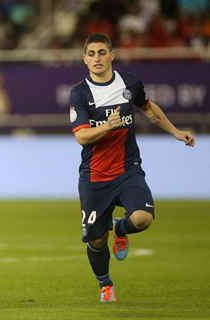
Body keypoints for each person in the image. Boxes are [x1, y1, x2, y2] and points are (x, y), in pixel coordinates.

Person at [69, 32, 195, 302]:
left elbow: (148, 108)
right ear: (84, 59)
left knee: (143, 218)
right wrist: (107, 126)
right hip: (95, 176)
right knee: (97, 240)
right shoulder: (80, 93)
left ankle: (122, 229)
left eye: (102, 52)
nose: (97, 58)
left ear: (112, 55)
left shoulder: (130, 83)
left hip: (128, 169)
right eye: (91, 54)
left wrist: (174, 131)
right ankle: (105, 284)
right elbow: (81, 136)